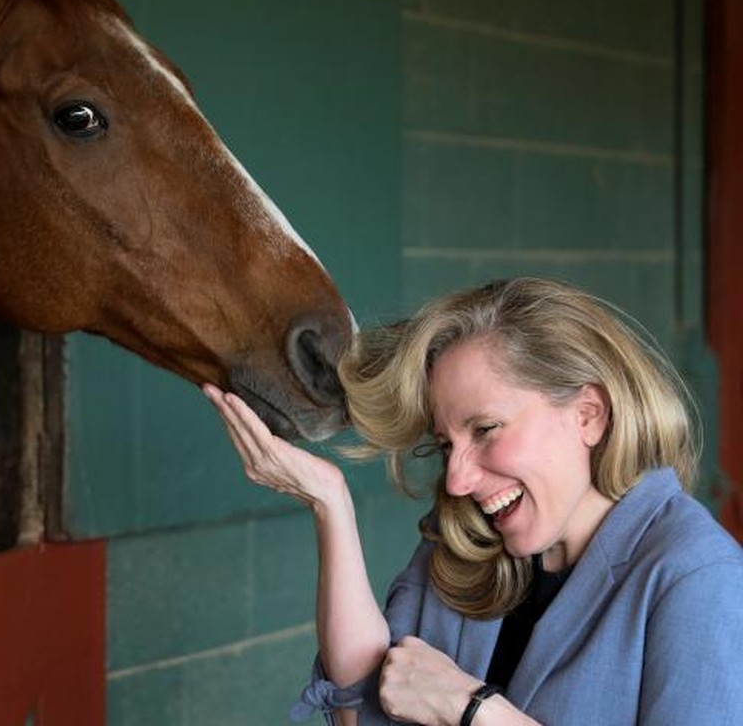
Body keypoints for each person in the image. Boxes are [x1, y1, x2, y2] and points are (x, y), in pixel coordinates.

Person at [204, 277, 743, 726]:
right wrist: (330, 504)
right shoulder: (469, 536)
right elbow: (360, 711)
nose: (457, 480)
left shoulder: (696, 574)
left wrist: (472, 708)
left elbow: (443, 702)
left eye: (485, 429)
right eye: (446, 445)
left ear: (588, 415)